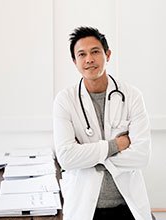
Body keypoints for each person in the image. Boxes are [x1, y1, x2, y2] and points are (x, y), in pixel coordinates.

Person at [53, 26, 154, 220]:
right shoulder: (65, 100)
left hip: (127, 205)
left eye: (95, 52)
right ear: (75, 62)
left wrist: (89, 158)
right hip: (85, 209)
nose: (89, 59)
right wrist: (118, 145)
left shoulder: (132, 96)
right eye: (81, 54)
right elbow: (66, 157)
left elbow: (142, 156)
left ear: (107, 55)